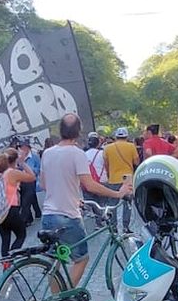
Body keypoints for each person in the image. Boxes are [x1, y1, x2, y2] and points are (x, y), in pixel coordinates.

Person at [40, 114, 131, 288]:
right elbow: (90, 185)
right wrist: (118, 194)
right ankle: (66, 299)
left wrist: (73, 195)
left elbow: (44, 184)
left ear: (60, 131)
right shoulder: (76, 154)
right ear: (78, 132)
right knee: (81, 259)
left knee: (55, 262)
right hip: (67, 215)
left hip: (48, 215)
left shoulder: (47, 153)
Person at [0, 148, 36, 259]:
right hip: (11, 208)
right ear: (14, 160)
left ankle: (6, 266)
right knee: (21, 234)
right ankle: (11, 258)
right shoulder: (12, 173)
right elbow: (32, 177)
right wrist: (22, 163)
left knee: (5, 239)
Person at [102, 127, 139, 191]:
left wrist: (109, 176)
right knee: (128, 200)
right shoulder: (131, 146)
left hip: (113, 179)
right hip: (128, 179)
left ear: (116, 137)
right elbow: (136, 162)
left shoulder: (107, 148)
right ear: (127, 137)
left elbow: (106, 165)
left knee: (114, 199)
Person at [17, 140, 41, 226]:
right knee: (27, 199)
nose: (23, 149)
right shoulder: (18, 158)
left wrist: (31, 170)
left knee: (27, 200)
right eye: (21, 148)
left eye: (24, 148)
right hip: (21, 181)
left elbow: (39, 168)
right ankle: (31, 216)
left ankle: (25, 220)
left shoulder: (34, 157)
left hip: (31, 180)